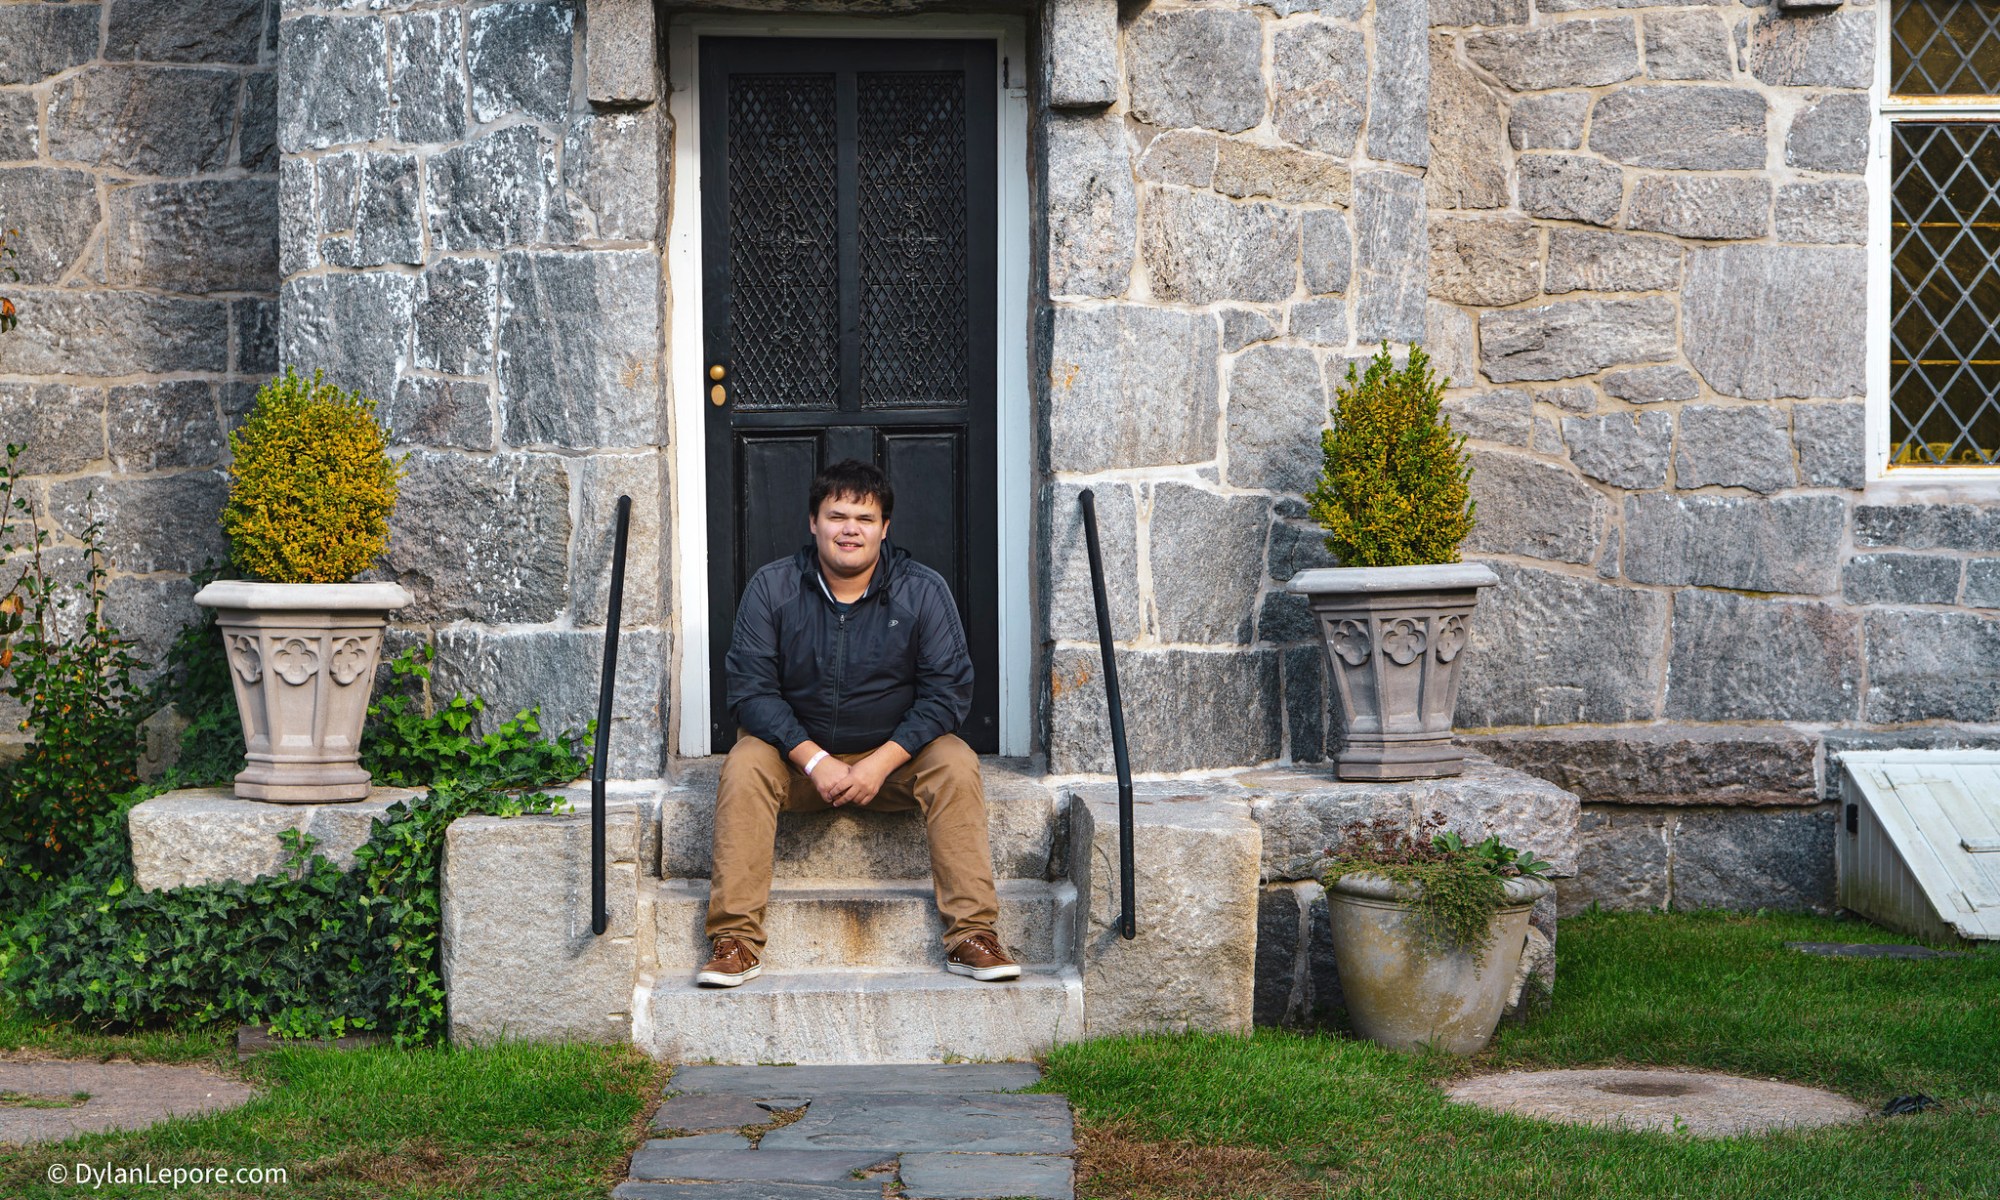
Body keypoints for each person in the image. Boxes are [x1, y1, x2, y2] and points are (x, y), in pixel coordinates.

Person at [697, 459, 1019, 987]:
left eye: (864, 519)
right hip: (797, 764)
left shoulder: (923, 591)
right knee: (746, 761)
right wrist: (815, 760)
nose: (850, 529)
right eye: (837, 515)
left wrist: (879, 764)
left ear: (884, 528)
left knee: (956, 761)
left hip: (893, 763)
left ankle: (971, 936)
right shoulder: (773, 588)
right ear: (813, 523)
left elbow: (947, 693)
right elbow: (750, 691)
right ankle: (735, 941)